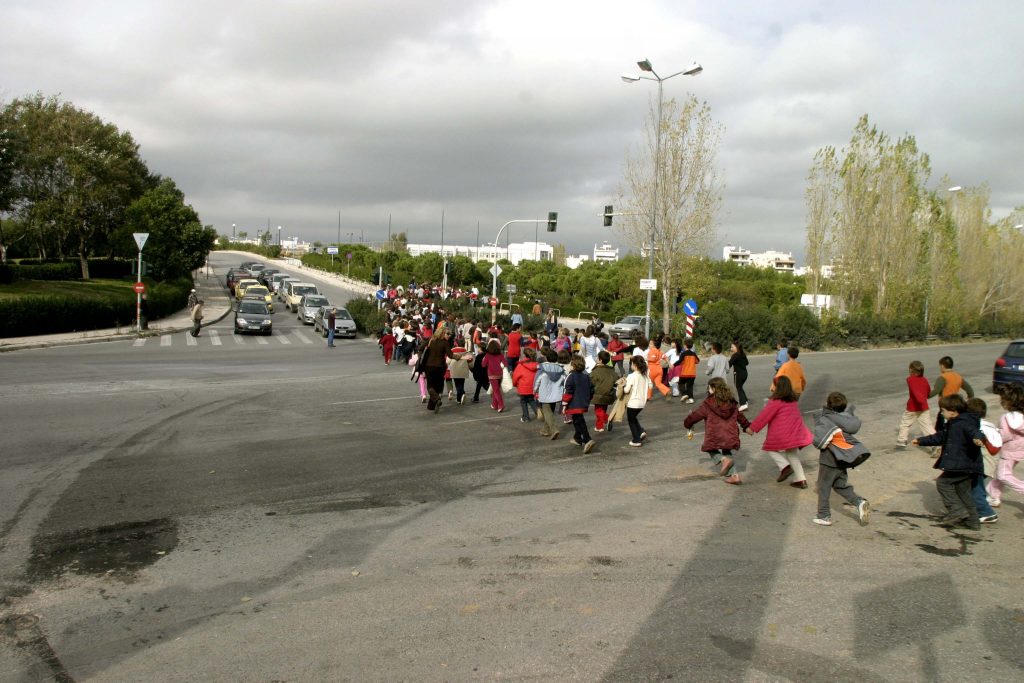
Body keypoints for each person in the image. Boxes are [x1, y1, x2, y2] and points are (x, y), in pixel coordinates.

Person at [913, 394, 984, 530]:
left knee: (943, 483)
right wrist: (921, 441)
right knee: (963, 491)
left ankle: (957, 510)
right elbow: (940, 437)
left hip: (963, 464)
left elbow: (976, 432)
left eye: (943, 410)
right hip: (966, 464)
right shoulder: (953, 423)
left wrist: (977, 438)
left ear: (952, 411)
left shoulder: (964, 423)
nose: (941, 413)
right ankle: (973, 521)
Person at [811, 392, 871, 526]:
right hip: (843, 459)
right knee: (839, 485)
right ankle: (859, 502)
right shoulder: (845, 419)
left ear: (828, 405)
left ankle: (823, 515)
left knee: (823, 487)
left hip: (829, 460)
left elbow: (820, 442)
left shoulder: (827, 419)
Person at [746, 375, 814, 488]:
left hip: (783, 434)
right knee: (792, 454)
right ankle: (801, 479)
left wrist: (752, 429)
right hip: (796, 432)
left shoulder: (775, 402)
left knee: (770, 448)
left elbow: (764, 417)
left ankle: (785, 467)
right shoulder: (792, 401)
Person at [683, 377, 750, 485]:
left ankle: (723, 460)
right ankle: (734, 476)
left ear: (713, 388)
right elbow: (740, 416)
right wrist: (746, 426)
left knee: (710, 448)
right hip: (731, 434)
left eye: (709, 388)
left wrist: (687, 423)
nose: (708, 390)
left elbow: (696, 415)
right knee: (726, 450)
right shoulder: (731, 402)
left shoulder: (708, 403)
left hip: (715, 434)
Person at [986, 384, 1024, 510]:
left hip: (1008, 451)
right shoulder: (1022, 417)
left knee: (1003, 475)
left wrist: (994, 433)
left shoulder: (1006, 418)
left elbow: (1005, 436)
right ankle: (994, 496)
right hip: (1019, 450)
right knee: (1000, 473)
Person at [966, 398, 1000, 523]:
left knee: (976, 488)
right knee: (974, 486)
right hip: (990, 464)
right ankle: (973, 508)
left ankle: (986, 512)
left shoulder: (978, 427)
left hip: (981, 464)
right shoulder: (990, 426)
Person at [929, 355, 975, 432]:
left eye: (940, 366)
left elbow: (936, 391)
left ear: (942, 366)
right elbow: (970, 390)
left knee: (940, 425)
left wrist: (925, 396)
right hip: (955, 404)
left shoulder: (943, 377)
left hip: (945, 404)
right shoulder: (958, 377)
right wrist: (970, 398)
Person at [563, 356, 596, 453]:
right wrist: (588, 399)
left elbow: (568, 391)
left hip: (574, 403)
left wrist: (564, 404)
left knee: (579, 420)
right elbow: (592, 389)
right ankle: (577, 438)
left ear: (573, 366)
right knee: (577, 419)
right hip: (584, 402)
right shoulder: (586, 376)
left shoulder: (571, 376)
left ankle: (587, 439)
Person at [896, 360, 933, 447]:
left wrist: (920, 400)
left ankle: (902, 440)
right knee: (927, 426)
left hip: (913, 407)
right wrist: (923, 399)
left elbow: (915, 391)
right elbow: (928, 392)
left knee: (905, 423)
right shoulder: (924, 380)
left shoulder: (910, 379)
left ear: (911, 370)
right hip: (924, 407)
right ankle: (935, 444)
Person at [534, 348, 566, 440]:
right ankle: (545, 429)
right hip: (556, 394)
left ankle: (554, 429)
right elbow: (565, 380)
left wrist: (535, 390)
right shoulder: (561, 370)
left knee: (547, 412)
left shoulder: (542, 369)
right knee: (550, 412)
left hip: (544, 394)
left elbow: (537, 381)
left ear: (546, 358)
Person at [421, 325, 454, 413]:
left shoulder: (431, 340)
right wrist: (460, 356)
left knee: (430, 386)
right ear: (442, 333)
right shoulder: (445, 343)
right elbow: (451, 355)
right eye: (447, 334)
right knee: (437, 385)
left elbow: (420, 348)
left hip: (429, 366)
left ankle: (436, 399)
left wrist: (420, 357)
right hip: (441, 367)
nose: (449, 335)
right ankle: (432, 405)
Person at [622, 355, 652, 447]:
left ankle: (636, 439)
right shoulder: (645, 375)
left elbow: (626, 390)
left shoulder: (631, 376)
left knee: (631, 420)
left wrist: (623, 385)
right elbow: (650, 385)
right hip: (642, 402)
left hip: (633, 402)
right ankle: (641, 431)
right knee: (633, 418)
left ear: (634, 365)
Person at [591, 350, 617, 433]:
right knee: (603, 410)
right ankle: (599, 426)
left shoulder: (595, 371)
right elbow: (617, 380)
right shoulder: (612, 371)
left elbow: (590, 382)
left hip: (598, 394)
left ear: (600, 360)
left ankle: (607, 419)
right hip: (609, 394)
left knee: (598, 411)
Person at [512, 347, 540, 422]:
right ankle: (538, 411)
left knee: (523, 401)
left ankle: (526, 417)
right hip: (533, 387)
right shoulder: (537, 365)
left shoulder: (520, 365)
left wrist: (515, 384)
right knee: (531, 400)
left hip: (523, 387)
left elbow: (515, 376)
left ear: (524, 355)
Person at [482, 338, 507, 412]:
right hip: (500, 374)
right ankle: (494, 404)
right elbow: (505, 363)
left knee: (496, 391)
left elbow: (483, 365)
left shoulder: (487, 355)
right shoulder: (500, 355)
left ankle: (501, 404)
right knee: (496, 389)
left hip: (492, 374)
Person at [448, 338, 473, 405]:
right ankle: (462, 394)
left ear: (457, 343)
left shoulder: (452, 350)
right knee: (461, 383)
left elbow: (447, 361)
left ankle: (460, 398)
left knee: (457, 383)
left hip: (454, 369)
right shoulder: (466, 351)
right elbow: (470, 360)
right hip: (463, 369)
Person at [647, 335, 671, 400]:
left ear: (654, 345)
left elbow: (652, 359)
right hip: (659, 370)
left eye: (650, 344)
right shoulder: (659, 351)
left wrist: (645, 358)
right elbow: (665, 357)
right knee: (658, 383)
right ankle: (667, 390)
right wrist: (669, 363)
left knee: (649, 383)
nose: (649, 345)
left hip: (652, 369)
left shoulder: (652, 350)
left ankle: (648, 396)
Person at [677, 338, 699, 403]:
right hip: (692, 373)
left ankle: (684, 394)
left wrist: (673, 365)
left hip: (684, 373)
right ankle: (691, 399)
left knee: (681, 383)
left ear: (685, 345)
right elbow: (697, 361)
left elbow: (680, 362)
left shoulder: (683, 354)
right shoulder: (693, 354)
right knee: (690, 386)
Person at [729, 341, 749, 411]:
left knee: (738, 388)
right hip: (745, 374)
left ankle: (743, 404)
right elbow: (747, 363)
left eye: (732, 347)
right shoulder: (742, 354)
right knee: (740, 387)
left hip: (738, 374)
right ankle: (745, 401)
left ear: (737, 347)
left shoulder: (735, 355)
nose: (731, 348)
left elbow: (729, 364)